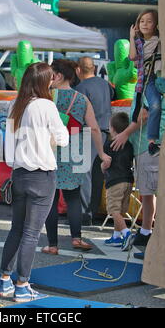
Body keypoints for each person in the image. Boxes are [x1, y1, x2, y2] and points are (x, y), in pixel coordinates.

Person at [0, 62, 69, 302]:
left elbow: (8, 149)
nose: (52, 82)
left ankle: (5, 280)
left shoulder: (15, 105)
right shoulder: (47, 106)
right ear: (43, 82)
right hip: (42, 174)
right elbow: (63, 139)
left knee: (16, 229)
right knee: (31, 233)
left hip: (18, 174)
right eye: (49, 78)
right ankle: (23, 285)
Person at [41, 59, 111, 255]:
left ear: (60, 76)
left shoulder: (47, 97)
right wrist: (102, 152)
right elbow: (94, 128)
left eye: (51, 74)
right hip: (75, 150)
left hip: (50, 149)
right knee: (73, 198)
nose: (50, 78)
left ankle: (53, 244)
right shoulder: (81, 99)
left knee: (51, 199)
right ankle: (76, 238)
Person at [110, 82, 165, 259]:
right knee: (149, 192)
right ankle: (146, 232)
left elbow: (144, 115)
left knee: (154, 191)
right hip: (149, 144)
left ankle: (156, 241)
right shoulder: (154, 84)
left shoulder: (150, 86)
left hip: (148, 146)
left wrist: (125, 133)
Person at [75, 56, 113, 223]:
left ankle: (84, 214)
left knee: (84, 173)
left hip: (87, 132)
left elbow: (78, 112)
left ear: (78, 70)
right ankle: (93, 211)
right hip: (106, 132)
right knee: (97, 174)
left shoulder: (81, 87)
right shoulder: (105, 84)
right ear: (95, 68)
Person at [129, 9, 162, 157]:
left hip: (160, 77)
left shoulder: (160, 39)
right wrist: (132, 36)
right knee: (155, 105)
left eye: (149, 21)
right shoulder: (138, 42)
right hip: (148, 81)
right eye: (142, 21)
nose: (145, 24)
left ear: (156, 24)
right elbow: (132, 57)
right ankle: (152, 142)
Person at [101, 112, 134, 250]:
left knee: (113, 210)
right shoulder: (129, 144)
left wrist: (102, 166)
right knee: (120, 210)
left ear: (112, 128)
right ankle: (116, 236)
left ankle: (126, 233)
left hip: (115, 181)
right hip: (128, 180)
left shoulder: (109, 145)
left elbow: (106, 164)